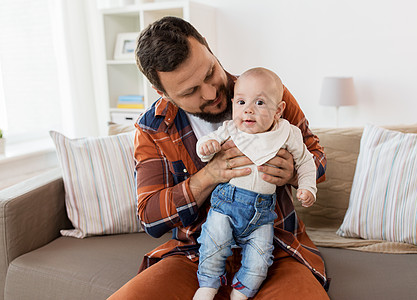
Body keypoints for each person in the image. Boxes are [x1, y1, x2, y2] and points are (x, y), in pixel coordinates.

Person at [108, 16, 329, 299]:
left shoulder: (266, 93)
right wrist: (210, 175)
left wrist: (294, 174)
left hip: (276, 248)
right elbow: (151, 218)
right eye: (190, 91)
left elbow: (317, 158)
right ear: (163, 93)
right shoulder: (152, 128)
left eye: (210, 72)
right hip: (193, 255)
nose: (211, 93)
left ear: (209, 49)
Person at [193, 67, 317, 300]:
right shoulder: (231, 130)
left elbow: (306, 161)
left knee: (261, 258)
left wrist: (307, 186)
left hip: (262, 214)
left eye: (260, 103)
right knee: (213, 244)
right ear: (233, 104)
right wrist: (206, 147)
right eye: (241, 102)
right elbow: (207, 144)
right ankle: (208, 284)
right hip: (226, 205)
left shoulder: (287, 134)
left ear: (278, 110)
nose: (248, 109)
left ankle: (241, 291)